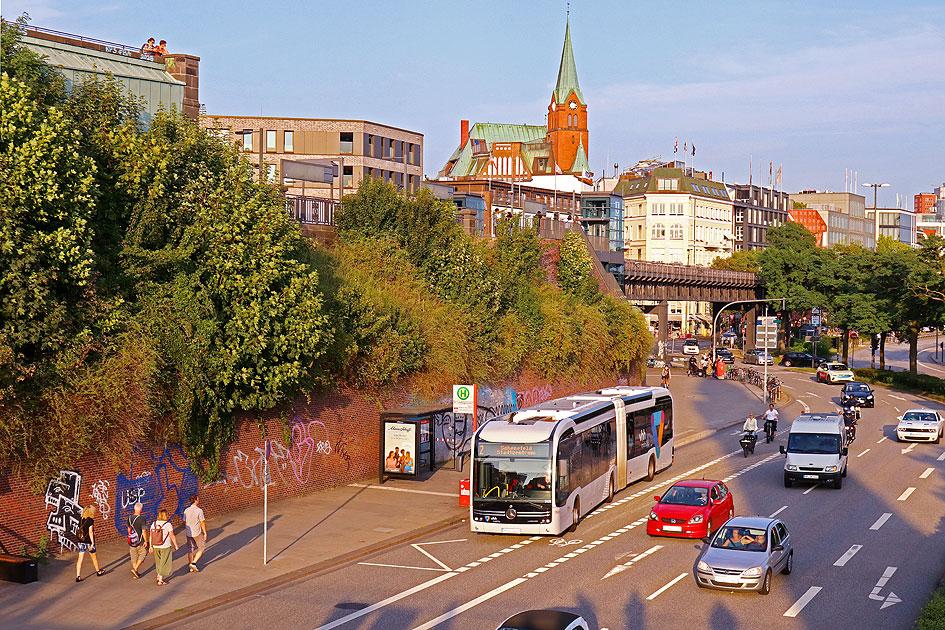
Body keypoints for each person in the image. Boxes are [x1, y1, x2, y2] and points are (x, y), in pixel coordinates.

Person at [149, 508, 179, 586]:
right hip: (165, 545)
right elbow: (172, 536)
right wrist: (175, 545)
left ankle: (158, 575)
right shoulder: (167, 524)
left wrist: (151, 546)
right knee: (164, 562)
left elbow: (151, 536)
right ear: (165, 515)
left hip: (155, 545)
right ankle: (161, 580)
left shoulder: (154, 524)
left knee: (158, 561)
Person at [75, 505, 105, 582]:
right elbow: (90, 532)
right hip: (88, 541)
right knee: (93, 557)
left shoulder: (81, 519)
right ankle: (98, 571)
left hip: (81, 541)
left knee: (80, 559)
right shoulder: (90, 520)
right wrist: (92, 543)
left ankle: (78, 576)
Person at [183, 495, 208, 573]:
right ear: (196, 500)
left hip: (188, 532)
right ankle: (193, 563)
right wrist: (205, 533)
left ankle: (191, 566)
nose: (199, 500)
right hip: (196, 532)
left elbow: (184, 521)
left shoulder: (186, 510)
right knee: (202, 547)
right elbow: (202, 522)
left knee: (190, 549)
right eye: (198, 499)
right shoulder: (199, 510)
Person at [128, 502, 149, 579]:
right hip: (140, 541)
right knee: (143, 553)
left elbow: (128, 529)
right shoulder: (142, 519)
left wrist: (131, 536)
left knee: (133, 556)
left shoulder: (130, 518)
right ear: (141, 510)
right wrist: (146, 541)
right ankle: (135, 569)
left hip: (132, 541)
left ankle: (135, 572)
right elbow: (144, 531)